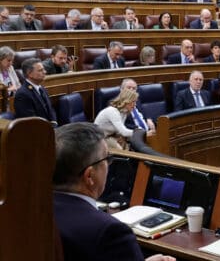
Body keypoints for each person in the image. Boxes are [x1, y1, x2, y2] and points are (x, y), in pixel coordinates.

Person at [53, 122, 175, 261]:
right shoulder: (110, 232)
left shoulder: (33, 213)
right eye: (107, 158)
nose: (109, 166)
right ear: (89, 176)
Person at [12, 58, 57, 124]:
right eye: (40, 70)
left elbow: (50, 109)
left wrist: (54, 122)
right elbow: (31, 121)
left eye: (43, 69)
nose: (45, 72)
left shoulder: (42, 89)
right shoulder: (22, 94)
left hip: (50, 128)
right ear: (29, 74)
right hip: (37, 132)